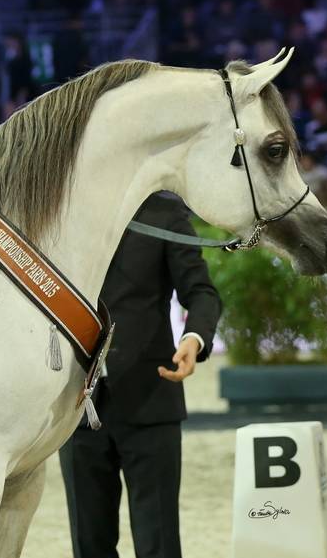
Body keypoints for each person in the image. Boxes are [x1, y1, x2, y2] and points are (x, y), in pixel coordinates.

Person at [59, 192, 222, 558]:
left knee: (158, 545)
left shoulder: (164, 212)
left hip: (151, 399)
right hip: (76, 407)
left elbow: (201, 292)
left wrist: (193, 338)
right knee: (89, 547)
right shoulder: (64, 210)